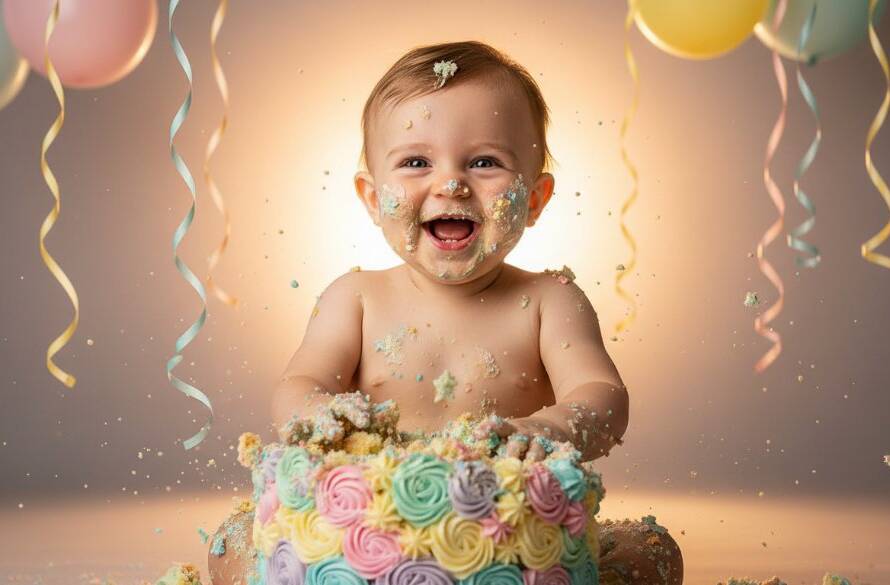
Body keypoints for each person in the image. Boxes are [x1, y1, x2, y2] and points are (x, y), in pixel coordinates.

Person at [208, 40, 682, 585]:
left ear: (535, 198)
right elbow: (300, 382)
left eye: (485, 162)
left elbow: (603, 396)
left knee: (651, 551)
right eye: (415, 162)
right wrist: (317, 413)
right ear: (370, 196)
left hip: (509, 541)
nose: (451, 183)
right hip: (364, 536)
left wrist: (549, 428)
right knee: (233, 543)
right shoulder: (356, 298)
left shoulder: (551, 301)